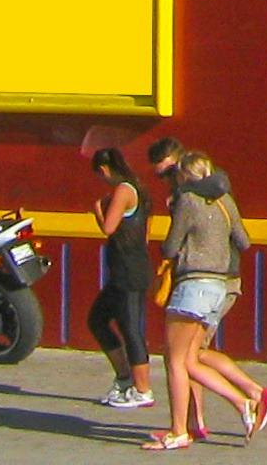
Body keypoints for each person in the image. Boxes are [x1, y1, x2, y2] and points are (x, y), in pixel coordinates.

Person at [139, 139, 267, 448]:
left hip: (193, 284)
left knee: (173, 359)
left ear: (185, 175)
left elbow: (171, 246)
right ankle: (244, 403)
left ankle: (178, 432)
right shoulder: (225, 199)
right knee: (190, 360)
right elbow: (243, 240)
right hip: (219, 285)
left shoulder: (186, 200)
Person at [83, 146, 151, 411]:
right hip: (128, 267)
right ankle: (124, 378)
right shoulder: (140, 189)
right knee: (97, 319)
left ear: (104, 169)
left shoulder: (123, 191)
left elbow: (109, 228)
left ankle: (143, 388)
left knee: (130, 327)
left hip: (128, 270)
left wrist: (99, 209)